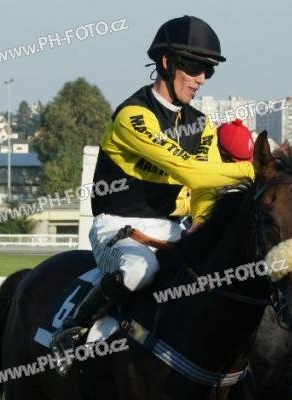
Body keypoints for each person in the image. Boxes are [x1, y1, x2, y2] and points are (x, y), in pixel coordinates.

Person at [52, 16, 255, 353]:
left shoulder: (202, 124)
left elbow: (204, 188)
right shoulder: (133, 115)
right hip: (117, 227)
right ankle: (74, 327)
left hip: (171, 228)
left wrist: (201, 221)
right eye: (194, 67)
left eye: (208, 70)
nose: (201, 79)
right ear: (166, 62)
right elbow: (192, 172)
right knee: (139, 271)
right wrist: (254, 170)